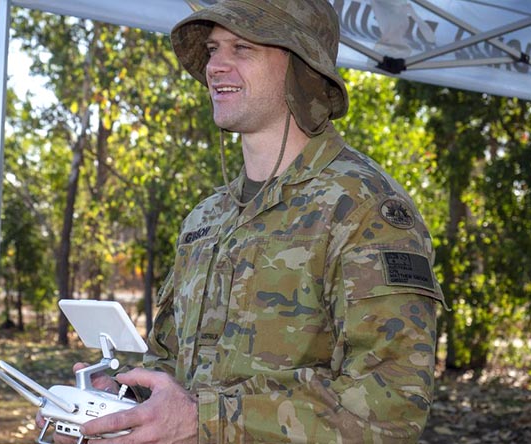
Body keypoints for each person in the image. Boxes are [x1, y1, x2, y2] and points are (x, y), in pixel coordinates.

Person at [46, 0, 446, 442]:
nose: (215, 66)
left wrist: (203, 421)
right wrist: (119, 406)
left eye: (242, 48)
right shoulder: (207, 217)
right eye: (214, 48)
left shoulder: (363, 208)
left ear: (301, 68)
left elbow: (391, 408)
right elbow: (173, 368)